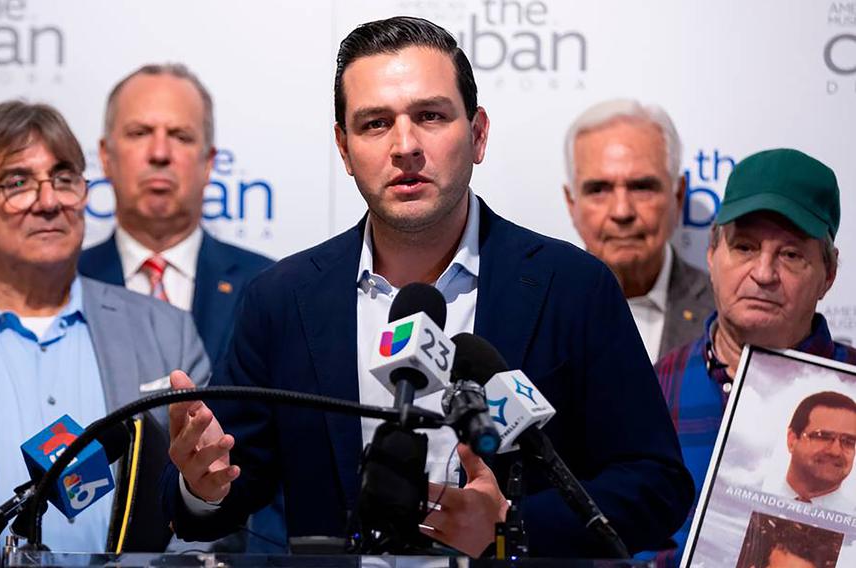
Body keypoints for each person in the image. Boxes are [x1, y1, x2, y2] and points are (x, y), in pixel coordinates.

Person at [162, 16, 692, 559]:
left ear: (478, 133)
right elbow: (217, 499)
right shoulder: (282, 299)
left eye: (431, 116)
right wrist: (202, 485)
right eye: (374, 124)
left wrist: (510, 528)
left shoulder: (572, 287)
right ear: (344, 150)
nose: (405, 146)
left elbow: (656, 487)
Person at [0, 101, 210, 562]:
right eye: (17, 182)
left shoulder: (165, 331)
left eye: (65, 178)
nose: (49, 202)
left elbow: (205, 505)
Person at [656, 148, 856, 562]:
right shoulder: (656, 384)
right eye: (745, 247)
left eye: (790, 255)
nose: (763, 274)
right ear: (712, 254)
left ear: (829, 274)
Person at [79, 63, 274, 367]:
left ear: (208, 162)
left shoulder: (268, 286)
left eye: (180, 136)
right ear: (105, 157)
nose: (159, 153)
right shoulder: (67, 284)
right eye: (140, 132)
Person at [563, 99, 713, 361]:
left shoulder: (724, 311)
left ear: (677, 196)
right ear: (571, 203)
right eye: (598, 189)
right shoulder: (535, 308)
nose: (622, 211)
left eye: (642, 187)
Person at [783, 391, 856, 509]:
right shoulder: (751, 492)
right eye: (823, 436)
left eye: (848, 441)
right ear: (792, 440)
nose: (835, 451)